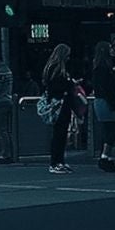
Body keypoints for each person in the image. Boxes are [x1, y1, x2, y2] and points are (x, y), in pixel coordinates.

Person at [41, 45, 78, 174]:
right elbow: (54, 88)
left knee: (61, 134)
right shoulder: (55, 70)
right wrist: (70, 84)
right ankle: (55, 162)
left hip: (63, 104)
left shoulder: (56, 69)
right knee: (58, 134)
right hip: (59, 104)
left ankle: (59, 160)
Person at [90, 40, 115, 171]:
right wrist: (114, 103)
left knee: (108, 129)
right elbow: (108, 88)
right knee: (111, 129)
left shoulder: (97, 66)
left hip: (100, 100)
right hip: (105, 101)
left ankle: (107, 156)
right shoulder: (104, 68)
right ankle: (105, 156)